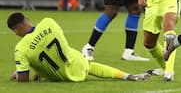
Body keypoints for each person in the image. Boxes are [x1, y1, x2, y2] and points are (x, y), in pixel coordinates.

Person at [7, 12, 150, 82]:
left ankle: (127, 76)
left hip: (61, 77)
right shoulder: (48, 22)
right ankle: (127, 76)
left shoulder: (21, 49)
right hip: (75, 62)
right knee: (89, 65)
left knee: (40, 62)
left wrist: (21, 73)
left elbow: (24, 80)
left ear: (15, 31)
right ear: (27, 19)